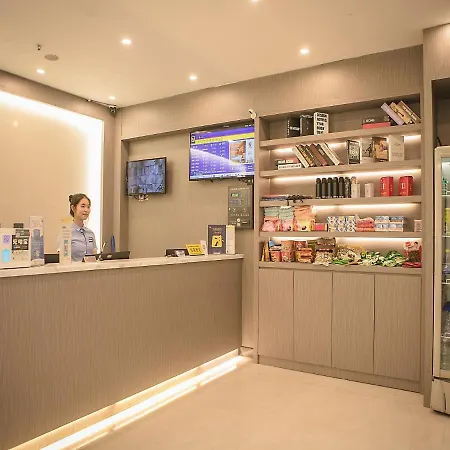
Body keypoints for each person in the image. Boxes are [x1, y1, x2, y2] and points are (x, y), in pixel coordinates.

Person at [67, 193, 97, 262]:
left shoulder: (90, 233)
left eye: (88, 207)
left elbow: (95, 255)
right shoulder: (66, 232)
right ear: (73, 208)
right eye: (83, 206)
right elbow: (62, 259)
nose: (86, 210)